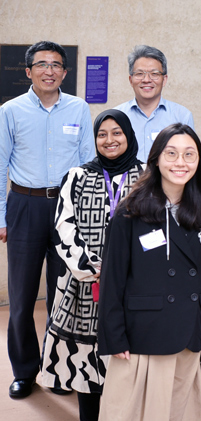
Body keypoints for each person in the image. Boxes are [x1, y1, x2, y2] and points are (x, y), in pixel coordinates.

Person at [96, 123, 201, 421]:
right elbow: (112, 280)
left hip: (189, 332)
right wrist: (114, 337)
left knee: (180, 411)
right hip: (143, 334)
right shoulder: (130, 212)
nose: (181, 162)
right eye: (172, 153)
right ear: (156, 159)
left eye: (190, 155)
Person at [0, 40, 94, 399]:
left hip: (66, 208)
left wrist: (87, 219)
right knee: (22, 297)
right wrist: (1, 217)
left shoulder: (79, 108)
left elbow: (88, 165)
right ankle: (24, 370)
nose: (49, 71)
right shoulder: (10, 111)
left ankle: (59, 368)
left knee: (63, 294)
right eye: (41, 64)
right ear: (29, 71)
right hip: (24, 205)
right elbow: (0, 165)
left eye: (56, 65)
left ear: (65, 73)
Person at [40, 109, 143, 420]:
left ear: (128, 135)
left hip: (134, 288)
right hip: (85, 285)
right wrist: (89, 266)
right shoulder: (78, 176)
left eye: (116, 133)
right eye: (102, 134)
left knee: (128, 365)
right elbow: (63, 226)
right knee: (86, 367)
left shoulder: (148, 177)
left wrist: (127, 271)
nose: (109, 140)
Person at [115, 45, 195, 161]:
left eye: (154, 74)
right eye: (139, 74)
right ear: (131, 80)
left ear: (164, 79)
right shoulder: (117, 116)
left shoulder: (182, 116)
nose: (146, 80)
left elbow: (190, 157)